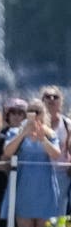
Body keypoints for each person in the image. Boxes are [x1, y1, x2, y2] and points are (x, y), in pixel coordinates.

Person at [1, 100, 62, 227]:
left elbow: (56, 154)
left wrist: (42, 139)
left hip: (45, 188)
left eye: (37, 112)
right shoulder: (15, 132)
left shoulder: (50, 134)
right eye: (31, 112)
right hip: (24, 188)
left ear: (43, 114)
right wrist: (23, 134)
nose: (34, 115)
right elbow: (7, 151)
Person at [39, 85, 71, 216]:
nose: (51, 99)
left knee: (59, 214)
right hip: (40, 174)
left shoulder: (67, 124)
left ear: (61, 101)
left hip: (62, 175)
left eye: (55, 97)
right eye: (47, 96)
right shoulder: (36, 124)